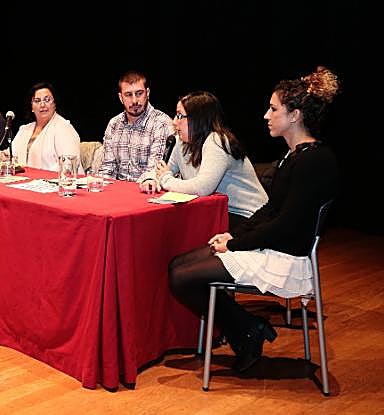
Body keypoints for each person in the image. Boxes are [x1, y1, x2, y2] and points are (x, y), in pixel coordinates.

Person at [167, 66, 340, 373]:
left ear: (294, 115)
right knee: (177, 266)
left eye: (273, 109)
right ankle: (247, 329)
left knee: (182, 277)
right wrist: (232, 237)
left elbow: (287, 225)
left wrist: (237, 244)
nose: (266, 115)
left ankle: (246, 330)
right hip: (270, 244)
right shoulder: (294, 156)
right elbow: (270, 210)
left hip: (286, 257)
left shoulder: (314, 161)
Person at [141, 90, 268, 231]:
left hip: (248, 216)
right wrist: (151, 179)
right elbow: (164, 170)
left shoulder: (216, 141)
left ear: (198, 119)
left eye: (180, 116)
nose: (174, 121)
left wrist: (165, 179)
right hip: (217, 211)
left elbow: (202, 188)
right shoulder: (180, 141)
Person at [98, 70, 173, 182]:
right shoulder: (114, 124)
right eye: (128, 95)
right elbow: (107, 169)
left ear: (147, 93)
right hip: (118, 189)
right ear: (120, 97)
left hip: (147, 188)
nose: (134, 101)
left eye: (139, 93)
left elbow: (153, 174)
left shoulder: (161, 123)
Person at [1, 81, 81, 172]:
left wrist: (42, 177)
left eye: (47, 100)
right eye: (37, 101)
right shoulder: (24, 130)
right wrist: (4, 156)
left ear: (55, 104)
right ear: (32, 107)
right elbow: (11, 154)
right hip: (25, 179)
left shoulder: (64, 128)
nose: (42, 105)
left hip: (55, 179)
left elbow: (69, 162)